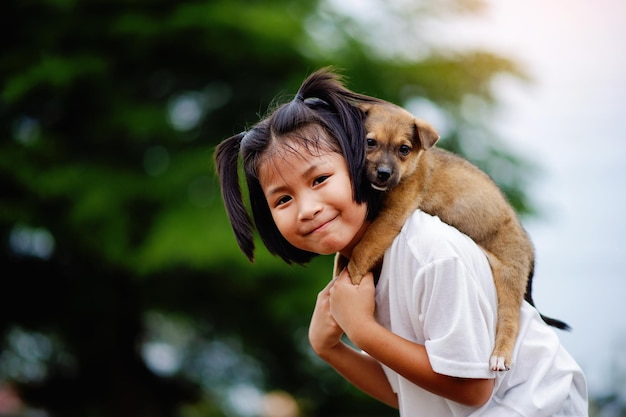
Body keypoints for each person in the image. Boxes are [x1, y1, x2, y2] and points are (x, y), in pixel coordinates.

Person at [214, 68, 588, 416]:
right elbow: (409, 391)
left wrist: (362, 331)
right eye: (282, 199)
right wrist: (329, 348)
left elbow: (474, 388)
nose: (307, 209)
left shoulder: (431, 254)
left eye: (319, 179)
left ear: (355, 158)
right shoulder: (373, 266)